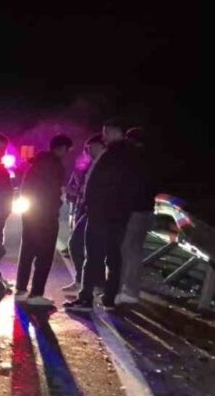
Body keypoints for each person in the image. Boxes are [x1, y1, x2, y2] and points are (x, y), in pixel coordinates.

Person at [64, 120, 143, 313]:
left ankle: (86, 299)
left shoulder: (113, 155)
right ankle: (109, 298)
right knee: (113, 257)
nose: (104, 137)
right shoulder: (130, 155)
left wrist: (94, 206)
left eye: (105, 134)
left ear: (111, 133)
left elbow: (104, 185)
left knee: (94, 256)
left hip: (102, 214)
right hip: (117, 214)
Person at [15, 135, 73, 306]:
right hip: (46, 214)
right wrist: (58, 202)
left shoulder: (35, 163)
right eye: (67, 150)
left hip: (31, 213)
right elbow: (52, 191)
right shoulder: (55, 165)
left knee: (27, 250)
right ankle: (36, 293)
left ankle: (21, 289)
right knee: (45, 254)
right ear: (62, 148)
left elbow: (26, 188)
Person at [61, 134, 106, 292]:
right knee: (84, 246)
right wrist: (75, 191)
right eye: (87, 148)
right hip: (85, 208)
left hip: (97, 211)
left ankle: (93, 283)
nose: (88, 151)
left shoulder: (105, 165)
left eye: (91, 147)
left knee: (83, 245)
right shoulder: (90, 165)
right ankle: (84, 281)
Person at [117, 127, 155, 305]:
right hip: (146, 210)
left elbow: (131, 187)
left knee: (128, 251)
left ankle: (129, 291)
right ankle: (129, 290)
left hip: (135, 211)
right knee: (135, 250)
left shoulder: (136, 160)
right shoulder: (149, 159)